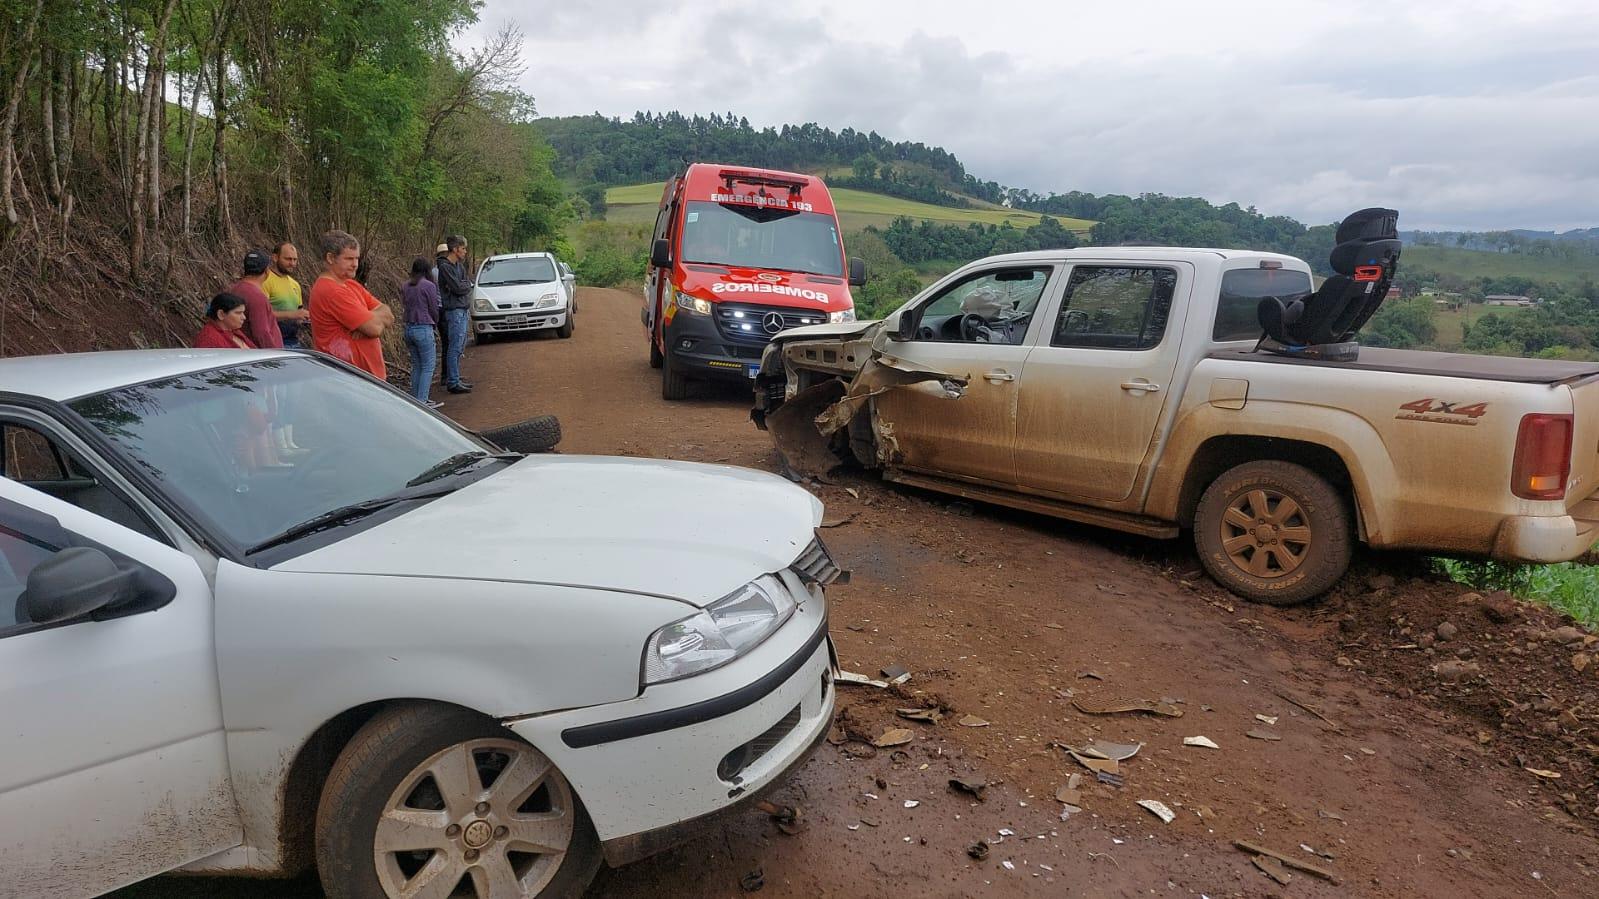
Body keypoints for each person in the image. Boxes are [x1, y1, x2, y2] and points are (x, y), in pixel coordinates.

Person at [309, 230, 392, 379]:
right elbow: (375, 328)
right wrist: (370, 321)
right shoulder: (331, 291)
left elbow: (389, 315)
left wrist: (367, 318)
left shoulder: (350, 284)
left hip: (364, 380)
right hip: (348, 380)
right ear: (330, 258)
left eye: (356, 258)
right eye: (348, 259)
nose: (355, 264)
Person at [435, 234, 475, 394]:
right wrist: (464, 286)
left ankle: (455, 377)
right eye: (463, 248)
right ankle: (452, 381)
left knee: (460, 345)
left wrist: (463, 286)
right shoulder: (445, 267)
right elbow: (459, 287)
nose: (465, 251)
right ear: (455, 249)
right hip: (453, 310)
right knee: (454, 346)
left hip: (462, 309)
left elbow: (464, 285)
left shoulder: (459, 266)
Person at [401, 256, 443, 408]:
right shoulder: (428, 286)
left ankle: (416, 399)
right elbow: (434, 308)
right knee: (428, 365)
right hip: (423, 327)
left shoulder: (405, 285)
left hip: (409, 328)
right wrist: (435, 322)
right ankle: (422, 401)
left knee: (417, 365)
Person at [230, 249, 283, 350]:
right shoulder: (257, 297)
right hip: (261, 355)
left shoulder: (235, 289)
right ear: (267, 271)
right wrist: (275, 355)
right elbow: (261, 334)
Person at [264, 241, 310, 348]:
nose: (292, 263)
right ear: (275, 257)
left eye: (295, 260)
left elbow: (298, 315)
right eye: (288, 259)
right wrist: (292, 314)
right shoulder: (264, 280)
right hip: (273, 342)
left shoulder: (295, 284)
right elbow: (262, 314)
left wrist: (305, 320)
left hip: (294, 340)